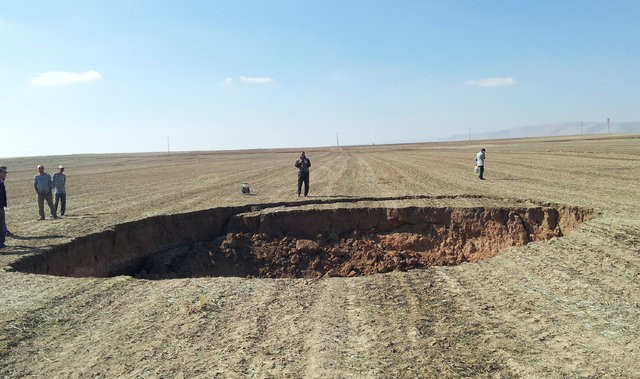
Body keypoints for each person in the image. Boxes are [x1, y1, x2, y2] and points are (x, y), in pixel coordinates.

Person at [0, 166, 7, 248]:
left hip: (1, 207)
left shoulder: (2, 182)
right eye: (4, 172)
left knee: (2, 225)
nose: (5, 174)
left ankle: (2, 242)